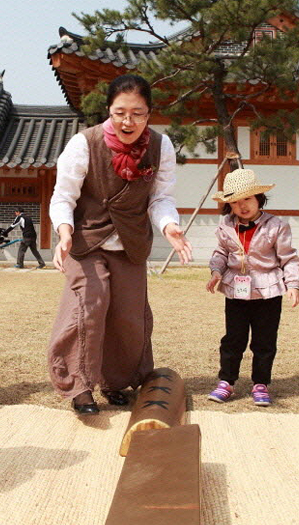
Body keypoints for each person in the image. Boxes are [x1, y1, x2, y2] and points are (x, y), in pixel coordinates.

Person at [48, 73, 192, 416]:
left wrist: (169, 225)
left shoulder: (161, 146)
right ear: (109, 111)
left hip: (130, 242)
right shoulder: (84, 144)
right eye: (120, 112)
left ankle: (117, 381)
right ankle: (79, 386)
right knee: (90, 305)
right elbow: (63, 196)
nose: (128, 121)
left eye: (138, 113)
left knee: (129, 317)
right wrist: (64, 230)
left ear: (149, 113)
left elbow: (160, 199)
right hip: (85, 240)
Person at [205, 169, 299, 406]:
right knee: (232, 339)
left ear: (259, 198)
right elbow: (221, 253)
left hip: (268, 291)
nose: (242, 206)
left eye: (247, 199)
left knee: (264, 341)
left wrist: (293, 284)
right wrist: (216, 271)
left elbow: (288, 258)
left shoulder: (276, 226)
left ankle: (261, 384)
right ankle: (226, 382)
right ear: (229, 205)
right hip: (236, 290)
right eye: (235, 202)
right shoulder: (226, 226)